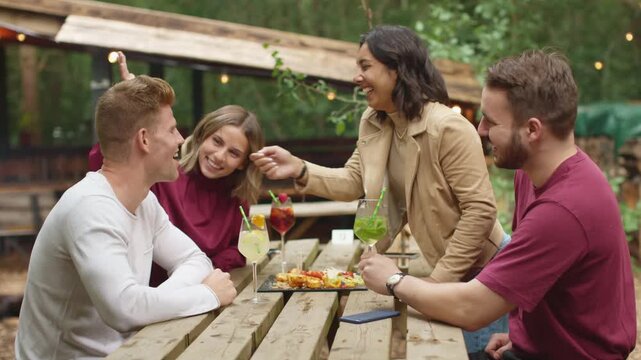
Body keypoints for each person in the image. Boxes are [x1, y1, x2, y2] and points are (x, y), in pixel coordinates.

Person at [358, 50, 637, 359]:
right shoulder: (530, 175)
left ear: (532, 130)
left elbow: (471, 308)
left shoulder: (564, 209)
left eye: (491, 121)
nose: (480, 130)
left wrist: (393, 280)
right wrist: (521, 335)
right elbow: (538, 282)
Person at [250, 25, 506, 352]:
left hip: (483, 273)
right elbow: (353, 181)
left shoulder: (448, 127)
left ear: (397, 69)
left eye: (365, 66)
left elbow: (481, 212)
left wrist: (434, 284)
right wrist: (300, 168)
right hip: (445, 272)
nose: (357, 77)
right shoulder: (375, 121)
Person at [15, 76, 238, 359]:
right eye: (172, 130)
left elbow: (195, 260)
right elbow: (123, 309)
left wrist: (152, 304)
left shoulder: (144, 201)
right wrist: (207, 295)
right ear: (144, 139)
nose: (182, 139)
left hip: (132, 351)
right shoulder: (90, 208)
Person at [88, 53, 265, 285]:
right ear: (202, 137)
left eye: (233, 153)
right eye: (217, 142)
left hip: (200, 291)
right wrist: (129, 113)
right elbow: (104, 162)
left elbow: (238, 249)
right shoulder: (165, 175)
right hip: (153, 295)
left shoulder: (236, 199)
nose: (219, 156)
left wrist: (207, 268)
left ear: (243, 163)